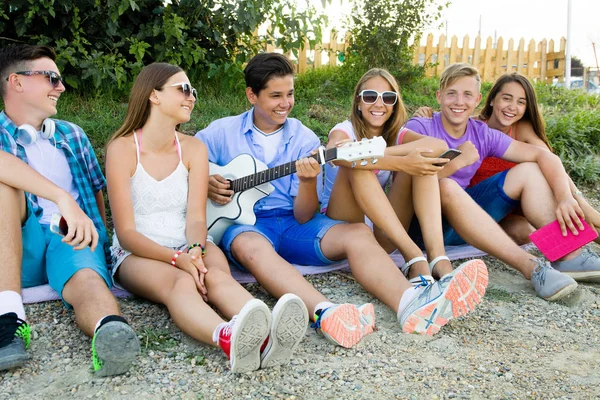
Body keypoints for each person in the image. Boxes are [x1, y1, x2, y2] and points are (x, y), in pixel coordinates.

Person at [196, 52, 485, 341]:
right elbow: (184, 164)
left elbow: (304, 216)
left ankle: (410, 302)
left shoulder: (304, 138)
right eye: (275, 96)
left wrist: (308, 181)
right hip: (246, 226)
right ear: (251, 95)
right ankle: (328, 313)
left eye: (290, 94)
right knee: (251, 246)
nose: (285, 104)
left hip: (293, 222)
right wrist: (204, 181)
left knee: (358, 232)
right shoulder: (221, 132)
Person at [105, 62, 308, 374]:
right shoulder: (121, 149)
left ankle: (265, 334)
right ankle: (228, 338)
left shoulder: (194, 149)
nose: (192, 97)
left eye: (193, 91)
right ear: (154, 96)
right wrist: (178, 260)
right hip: (138, 251)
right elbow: (126, 231)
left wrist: (196, 250)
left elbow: (197, 218)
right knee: (179, 284)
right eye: (183, 89)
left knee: (215, 276)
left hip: (190, 241)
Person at [406, 63, 600, 301]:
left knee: (529, 170)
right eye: (452, 93)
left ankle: (569, 254)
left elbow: (544, 156)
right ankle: (533, 268)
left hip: (461, 222)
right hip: (419, 226)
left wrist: (565, 197)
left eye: (467, 95)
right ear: (439, 96)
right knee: (447, 186)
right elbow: (405, 179)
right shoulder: (420, 126)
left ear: (477, 99)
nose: (459, 101)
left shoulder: (482, 132)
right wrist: (457, 162)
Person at [0, 44, 139, 375]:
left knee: (88, 280)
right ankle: (8, 321)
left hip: (70, 236)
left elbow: (96, 192)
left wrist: (98, 235)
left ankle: (109, 330)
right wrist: (63, 198)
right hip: (17, 247)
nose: (60, 87)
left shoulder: (72, 135)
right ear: (17, 82)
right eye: (51, 78)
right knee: (4, 186)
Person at [321, 67, 488, 325]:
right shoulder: (345, 129)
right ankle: (414, 258)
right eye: (370, 96)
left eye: (388, 98)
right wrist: (399, 162)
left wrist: (407, 161)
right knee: (356, 163)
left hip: (380, 233)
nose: (379, 104)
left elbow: (439, 147)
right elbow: (337, 152)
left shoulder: (395, 134)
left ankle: (438, 261)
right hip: (342, 225)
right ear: (357, 102)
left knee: (422, 163)